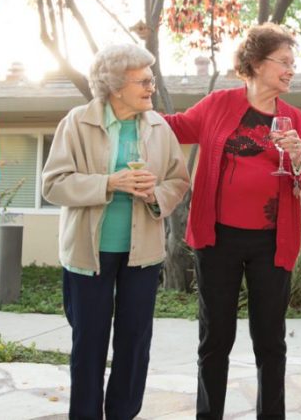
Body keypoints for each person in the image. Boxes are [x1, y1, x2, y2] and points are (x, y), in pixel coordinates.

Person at [163, 23, 301, 418]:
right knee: (215, 338)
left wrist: (300, 156)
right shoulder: (219, 105)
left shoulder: (294, 119)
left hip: (271, 243)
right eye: (284, 62)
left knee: (269, 341)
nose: (291, 70)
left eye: (294, 63)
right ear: (255, 63)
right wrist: (130, 106)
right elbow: (173, 127)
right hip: (217, 240)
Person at [41, 43, 190, 420]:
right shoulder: (77, 122)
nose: (150, 87)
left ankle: (123, 413)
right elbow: (54, 184)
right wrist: (109, 183)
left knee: (135, 341)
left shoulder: (160, 127)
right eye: (142, 80)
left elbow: (178, 180)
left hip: (142, 254)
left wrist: (154, 195)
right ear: (114, 85)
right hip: (87, 254)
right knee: (88, 342)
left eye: (151, 79)